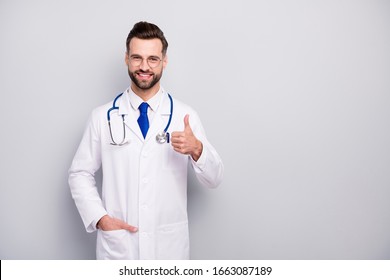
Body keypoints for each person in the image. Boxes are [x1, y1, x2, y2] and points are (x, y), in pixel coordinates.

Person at [68, 21, 223, 260]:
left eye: (153, 59)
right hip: (120, 248)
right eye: (137, 58)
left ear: (164, 61)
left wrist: (197, 150)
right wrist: (100, 219)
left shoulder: (184, 116)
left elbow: (214, 179)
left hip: (168, 249)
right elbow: (79, 173)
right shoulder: (102, 116)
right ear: (126, 59)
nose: (144, 67)